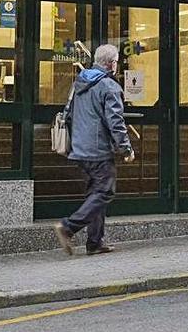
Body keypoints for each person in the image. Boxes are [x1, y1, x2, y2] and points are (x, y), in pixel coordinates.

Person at [54, 44, 134, 255]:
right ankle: (68, 227)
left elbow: (68, 113)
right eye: (116, 61)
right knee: (105, 191)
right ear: (112, 63)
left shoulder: (79, 82)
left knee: (95, 193)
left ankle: (95, 242)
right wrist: (126, 149)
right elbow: (115, 122)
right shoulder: (109, 87)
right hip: (97, 150)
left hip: (79, 148)